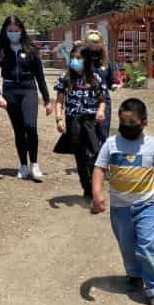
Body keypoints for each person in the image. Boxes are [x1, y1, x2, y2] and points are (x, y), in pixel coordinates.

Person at [91, 98, 154, 305]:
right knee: (127, 246)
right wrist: (97, 193)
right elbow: (99, 169)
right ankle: (134, 275)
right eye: (123, 122)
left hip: (146, 206)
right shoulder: (111, 144)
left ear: (144, 122)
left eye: (132, 123)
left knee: (147, 244)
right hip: (120, 209)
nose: (126, 127)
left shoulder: (151, 145)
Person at [0, 16, 52, 180]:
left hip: (28, 90)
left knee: (30, 126)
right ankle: (23, 165)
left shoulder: (31, 49)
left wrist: (47, 99)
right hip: (10, 92)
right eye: (10, 31)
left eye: (16, 30)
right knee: (19, 130)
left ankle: (35, 164)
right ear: (5, 31)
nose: (13, 33)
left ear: (22, 30)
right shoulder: (0, 50)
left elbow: (40, 76)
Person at [54, 43, 106, 201]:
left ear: (86, 60)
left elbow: (102, 100)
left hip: (89, 121)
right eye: (73, 58)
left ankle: (96, 183)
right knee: (80, 155)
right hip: (73, 120)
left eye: (78, 58)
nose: (75, 61)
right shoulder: (65, 78)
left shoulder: (95, 78)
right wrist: (59, 119)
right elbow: (59, 102)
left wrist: (101, 111)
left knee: (96, 153)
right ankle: (87, 188)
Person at [82, 30, 121, 144]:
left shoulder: (106, 62)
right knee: (89, 134)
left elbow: (110, 80)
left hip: (104, 101)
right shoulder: (82, 60)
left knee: (103, 133)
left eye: (96, 43)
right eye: (91, 43)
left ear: (101, 44)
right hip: (86, 100)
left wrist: (113, 85)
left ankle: (101, 159)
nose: (94, 46)